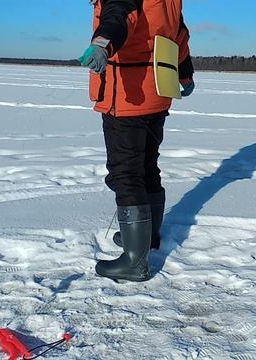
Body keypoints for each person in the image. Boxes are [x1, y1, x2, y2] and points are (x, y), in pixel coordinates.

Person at [79, 0, 194, 282]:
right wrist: (186, 75)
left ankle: (134, 260)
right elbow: (179, 36)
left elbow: (117, 17)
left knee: (126, 174)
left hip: (129, 96)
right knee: (146, 165)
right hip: (158, 93)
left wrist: (101, 46)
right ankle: (147, 238)